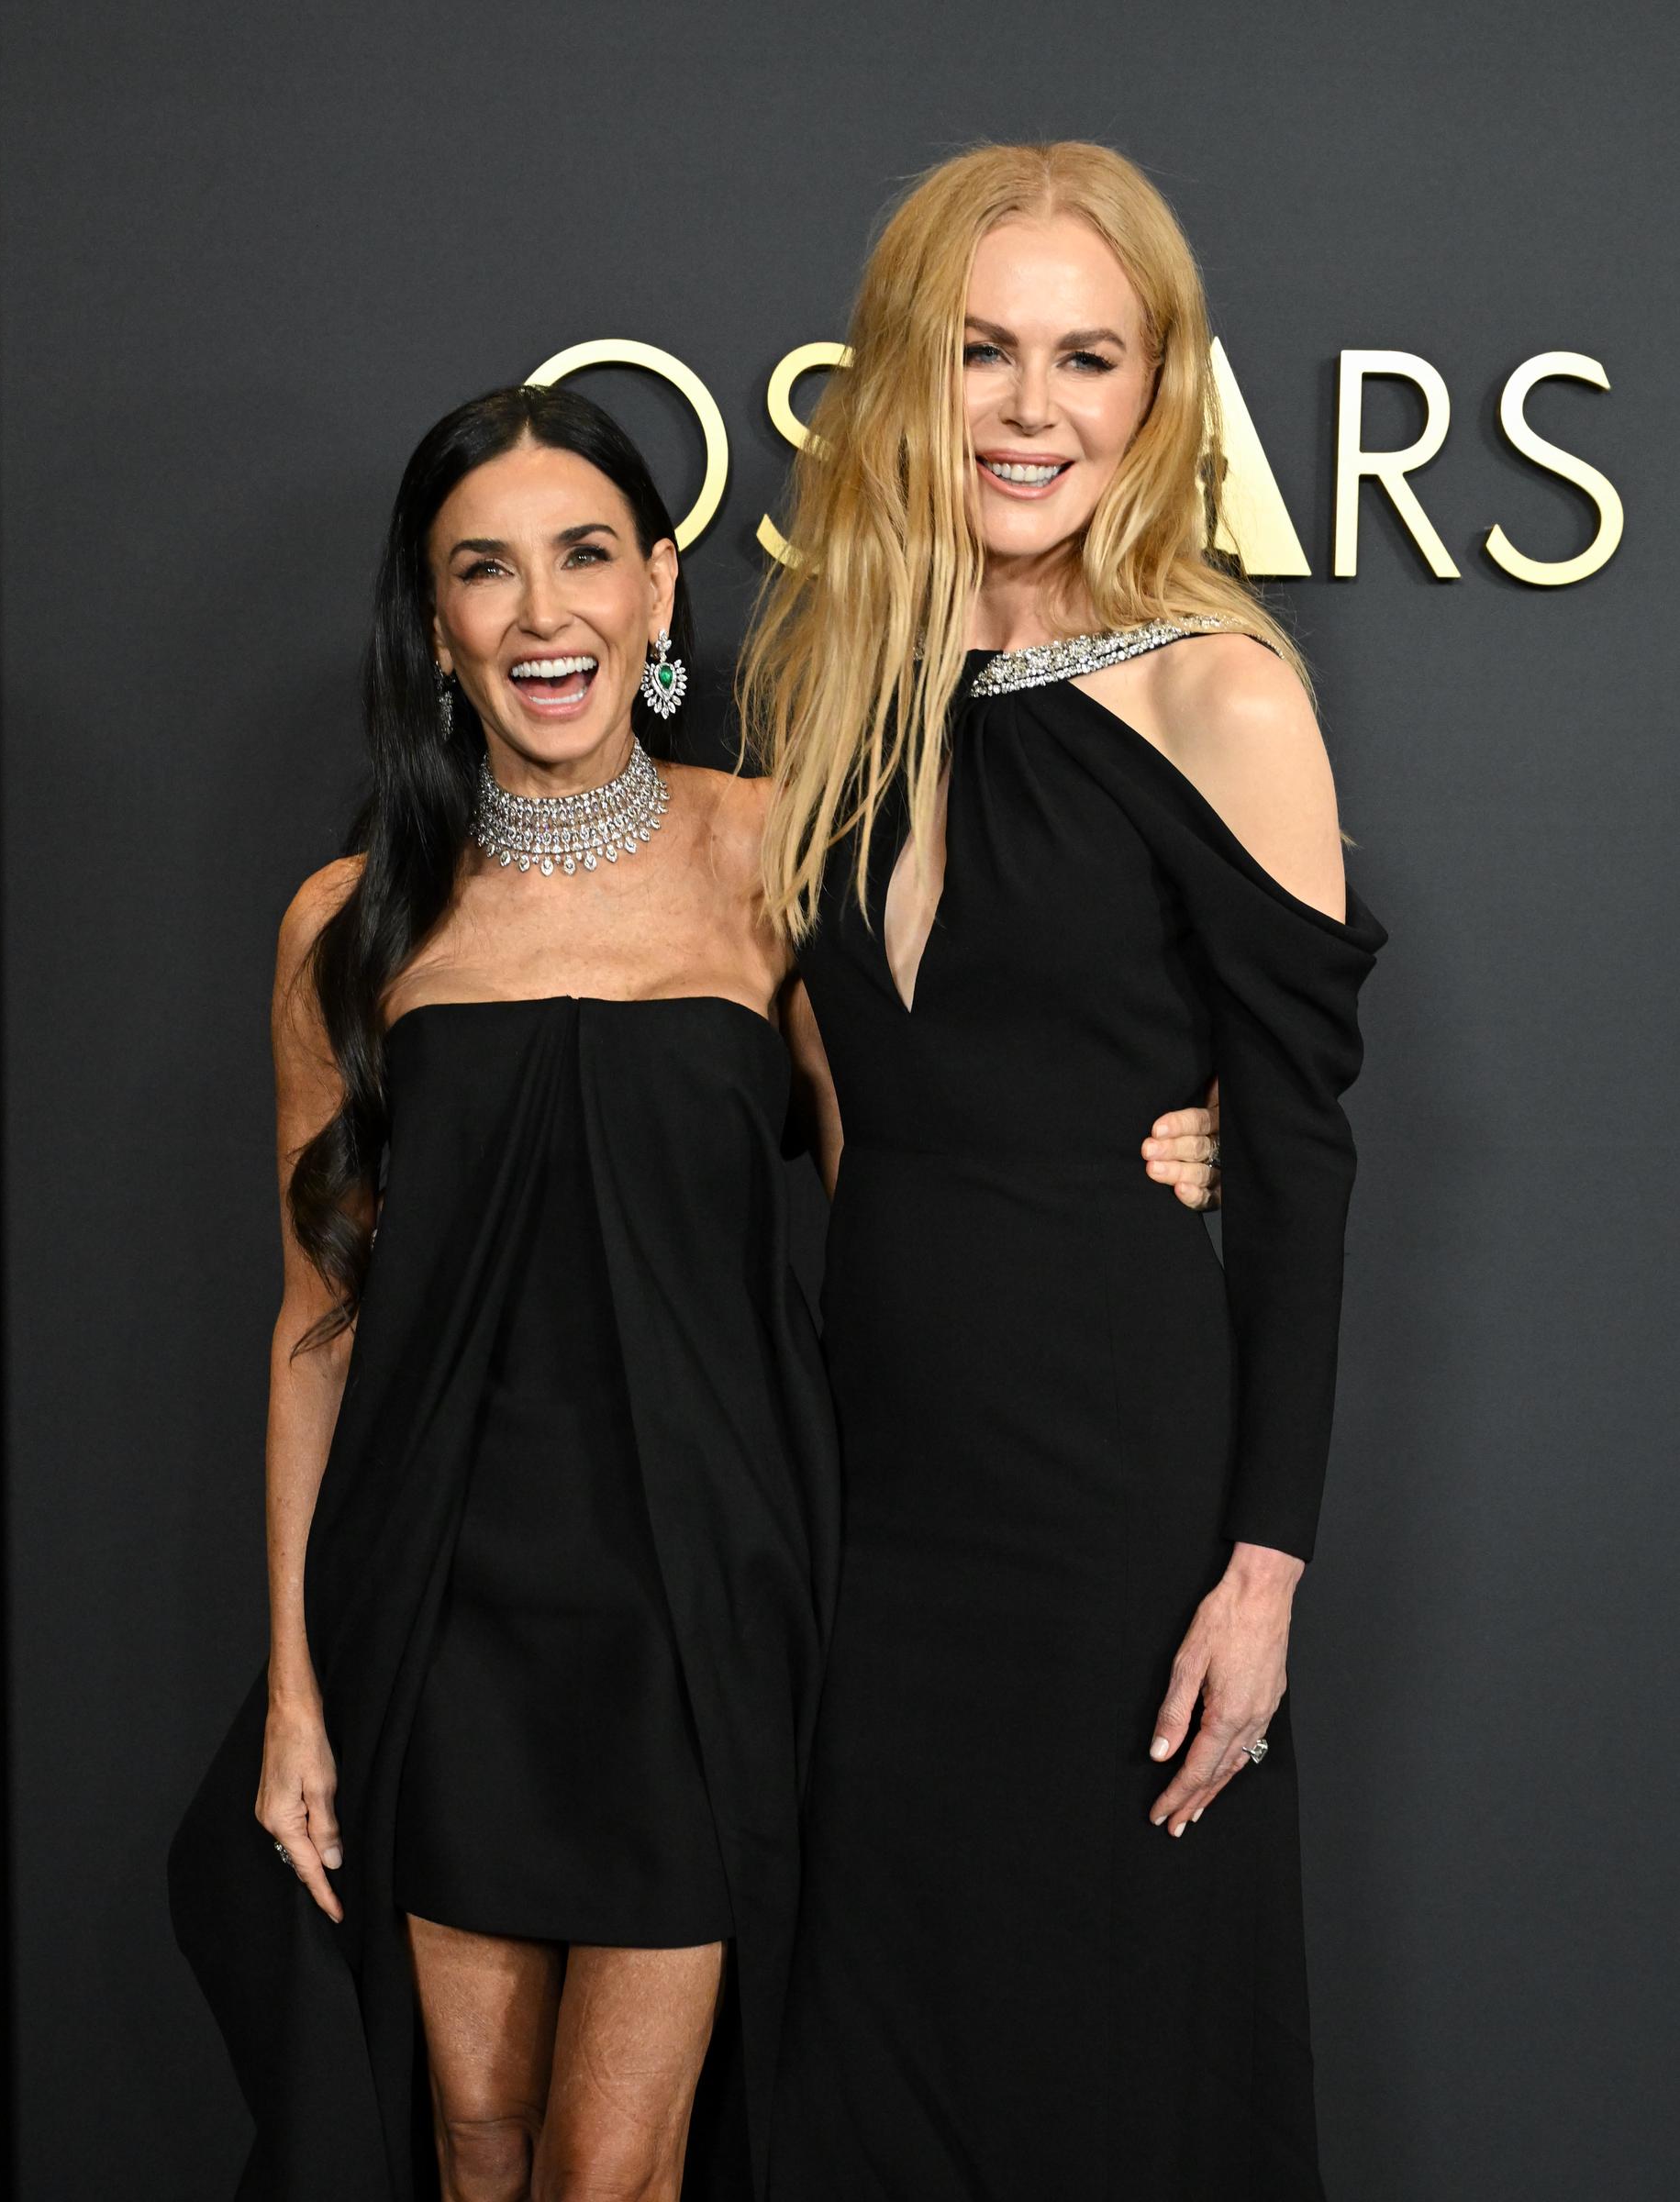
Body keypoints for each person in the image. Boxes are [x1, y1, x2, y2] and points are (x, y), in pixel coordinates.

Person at [742, 141, 1388, 2198]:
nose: (1031, 408)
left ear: (1157, 392)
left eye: (1086, 358)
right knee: (866, 2057)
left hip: (1119, 1503)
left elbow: (1299, 1151)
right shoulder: (828, 682)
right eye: (983, 351)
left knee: (1114, 2063)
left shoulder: (1223, 690)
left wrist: (1264, 1571)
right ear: (905, 380)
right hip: (869, 1495)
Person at [167, 384, 842, 2202]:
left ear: (659, 589)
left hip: (699, 1613)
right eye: (488, 572)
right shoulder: (352, 918)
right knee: (472, 2145)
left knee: (612, 2169)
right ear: (437, 622)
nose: (544, 614)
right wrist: (301, 1696)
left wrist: (1195, 1133)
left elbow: (925, 1213)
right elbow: (320, 1333)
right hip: (442, 1604)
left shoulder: (783, 861)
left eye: (584, 559)